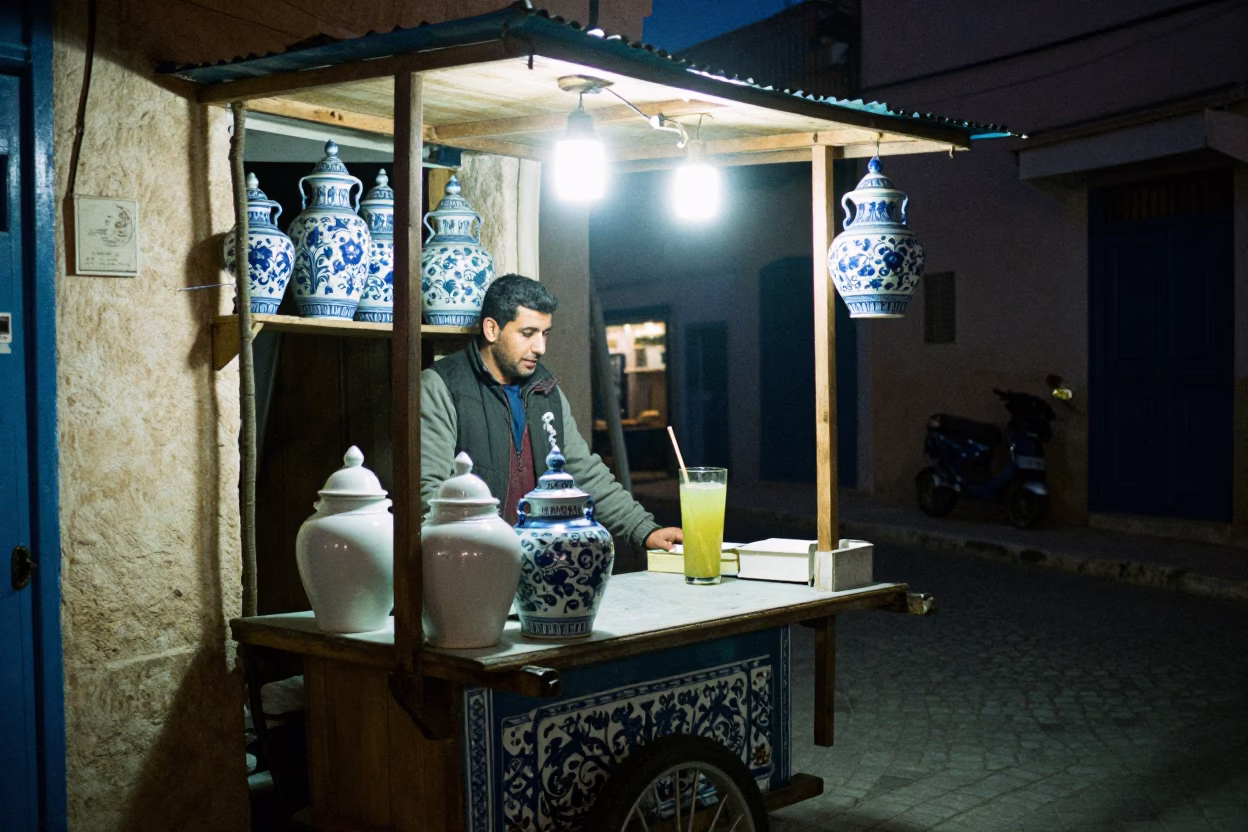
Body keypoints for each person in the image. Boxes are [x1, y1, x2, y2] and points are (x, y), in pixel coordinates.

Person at [420, 274, 683, 554]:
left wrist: (644, 529)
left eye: (545, 333)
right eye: (528, 333)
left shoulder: (546, 390)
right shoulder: (443, 386)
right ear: (491, 329)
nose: (540, 348)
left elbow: (585, 472)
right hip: (470, 563)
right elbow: (428, 493)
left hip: (539, 565)